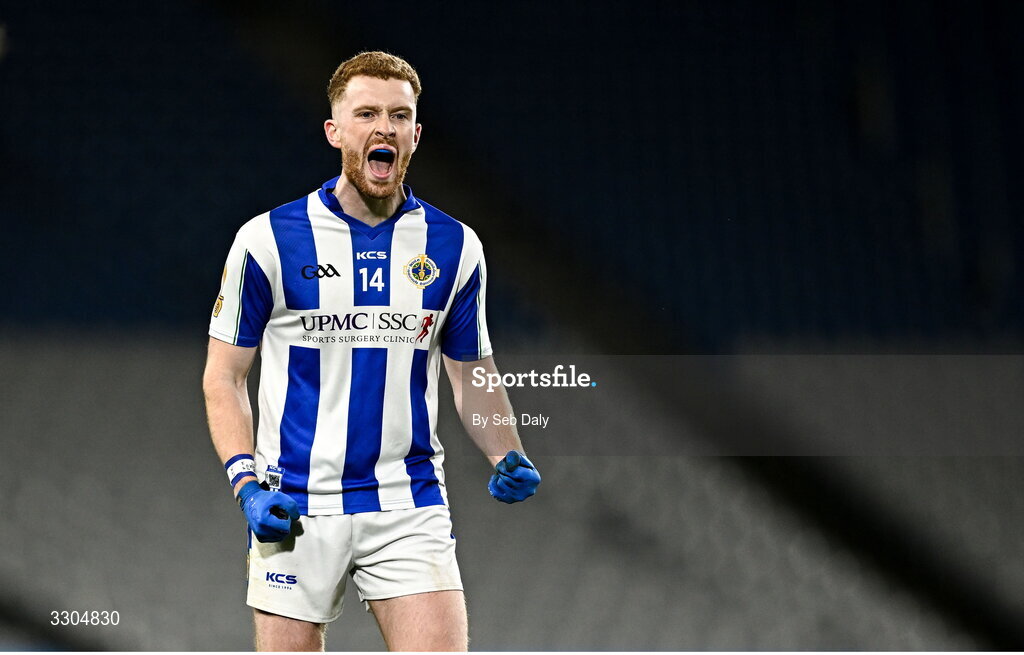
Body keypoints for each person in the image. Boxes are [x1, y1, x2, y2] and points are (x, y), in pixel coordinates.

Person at [202, 51, 541, 652]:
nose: (383, 126)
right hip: (294, 501)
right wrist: (247, 485)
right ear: (335, 131)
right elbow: (224, 377)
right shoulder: (267, 240)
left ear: (416, 133)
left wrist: (506, 449)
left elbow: (470, 374)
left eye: (398, 114)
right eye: (366, 113)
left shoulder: (456, 246)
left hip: (408, 500)